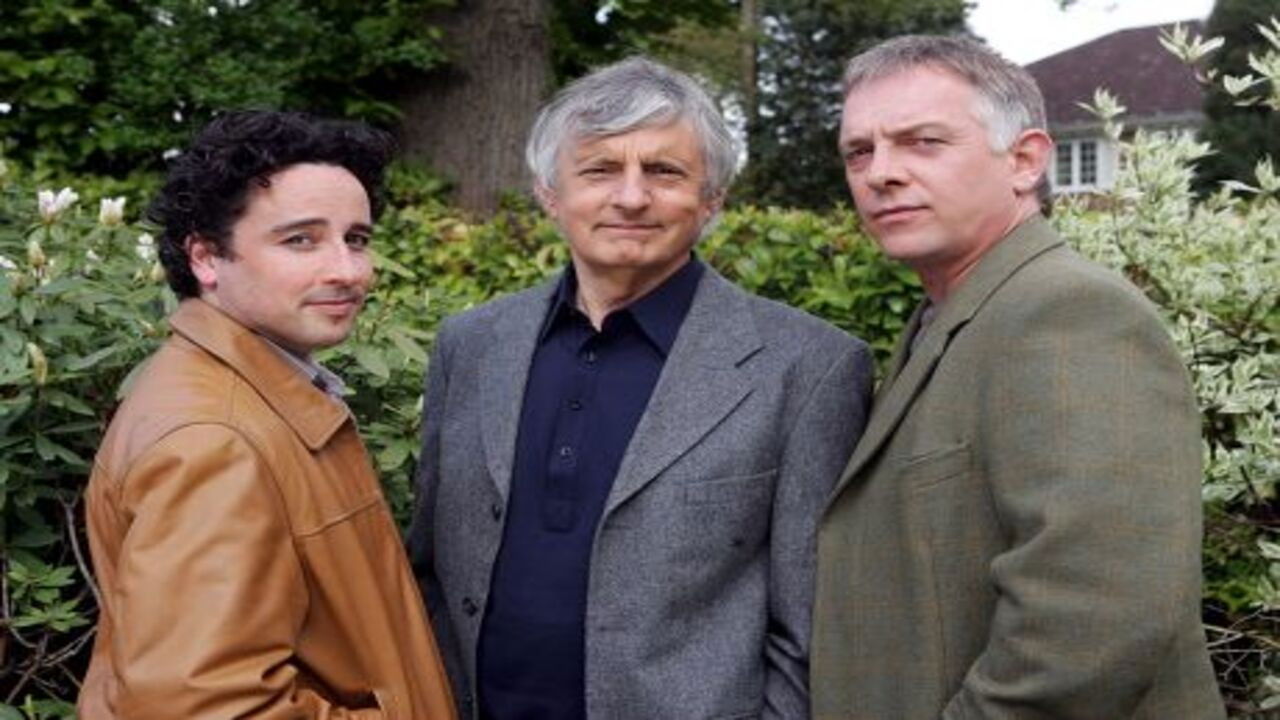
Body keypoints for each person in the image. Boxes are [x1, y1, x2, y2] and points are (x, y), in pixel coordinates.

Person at [408, 57, 873, 720]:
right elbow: (429, 567)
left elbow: (811, 628)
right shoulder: (471, 346)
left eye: (664, 171)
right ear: (549, 193)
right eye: (599, 169)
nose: (631, 197)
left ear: (711, 198)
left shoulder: (808, 368)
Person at [812, 35, 1224, 719]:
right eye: (859, 151)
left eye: (922, 142)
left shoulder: (1068, 312)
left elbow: (1091, 625)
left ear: (1025, 160)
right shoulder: (956, 316)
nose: (880, 172)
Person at [77, 110, 456, 719]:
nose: (348, 270)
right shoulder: (214, 441)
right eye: (300, 240)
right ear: (206, 258)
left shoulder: (260, 392)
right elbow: (203, 708)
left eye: (357, 239)